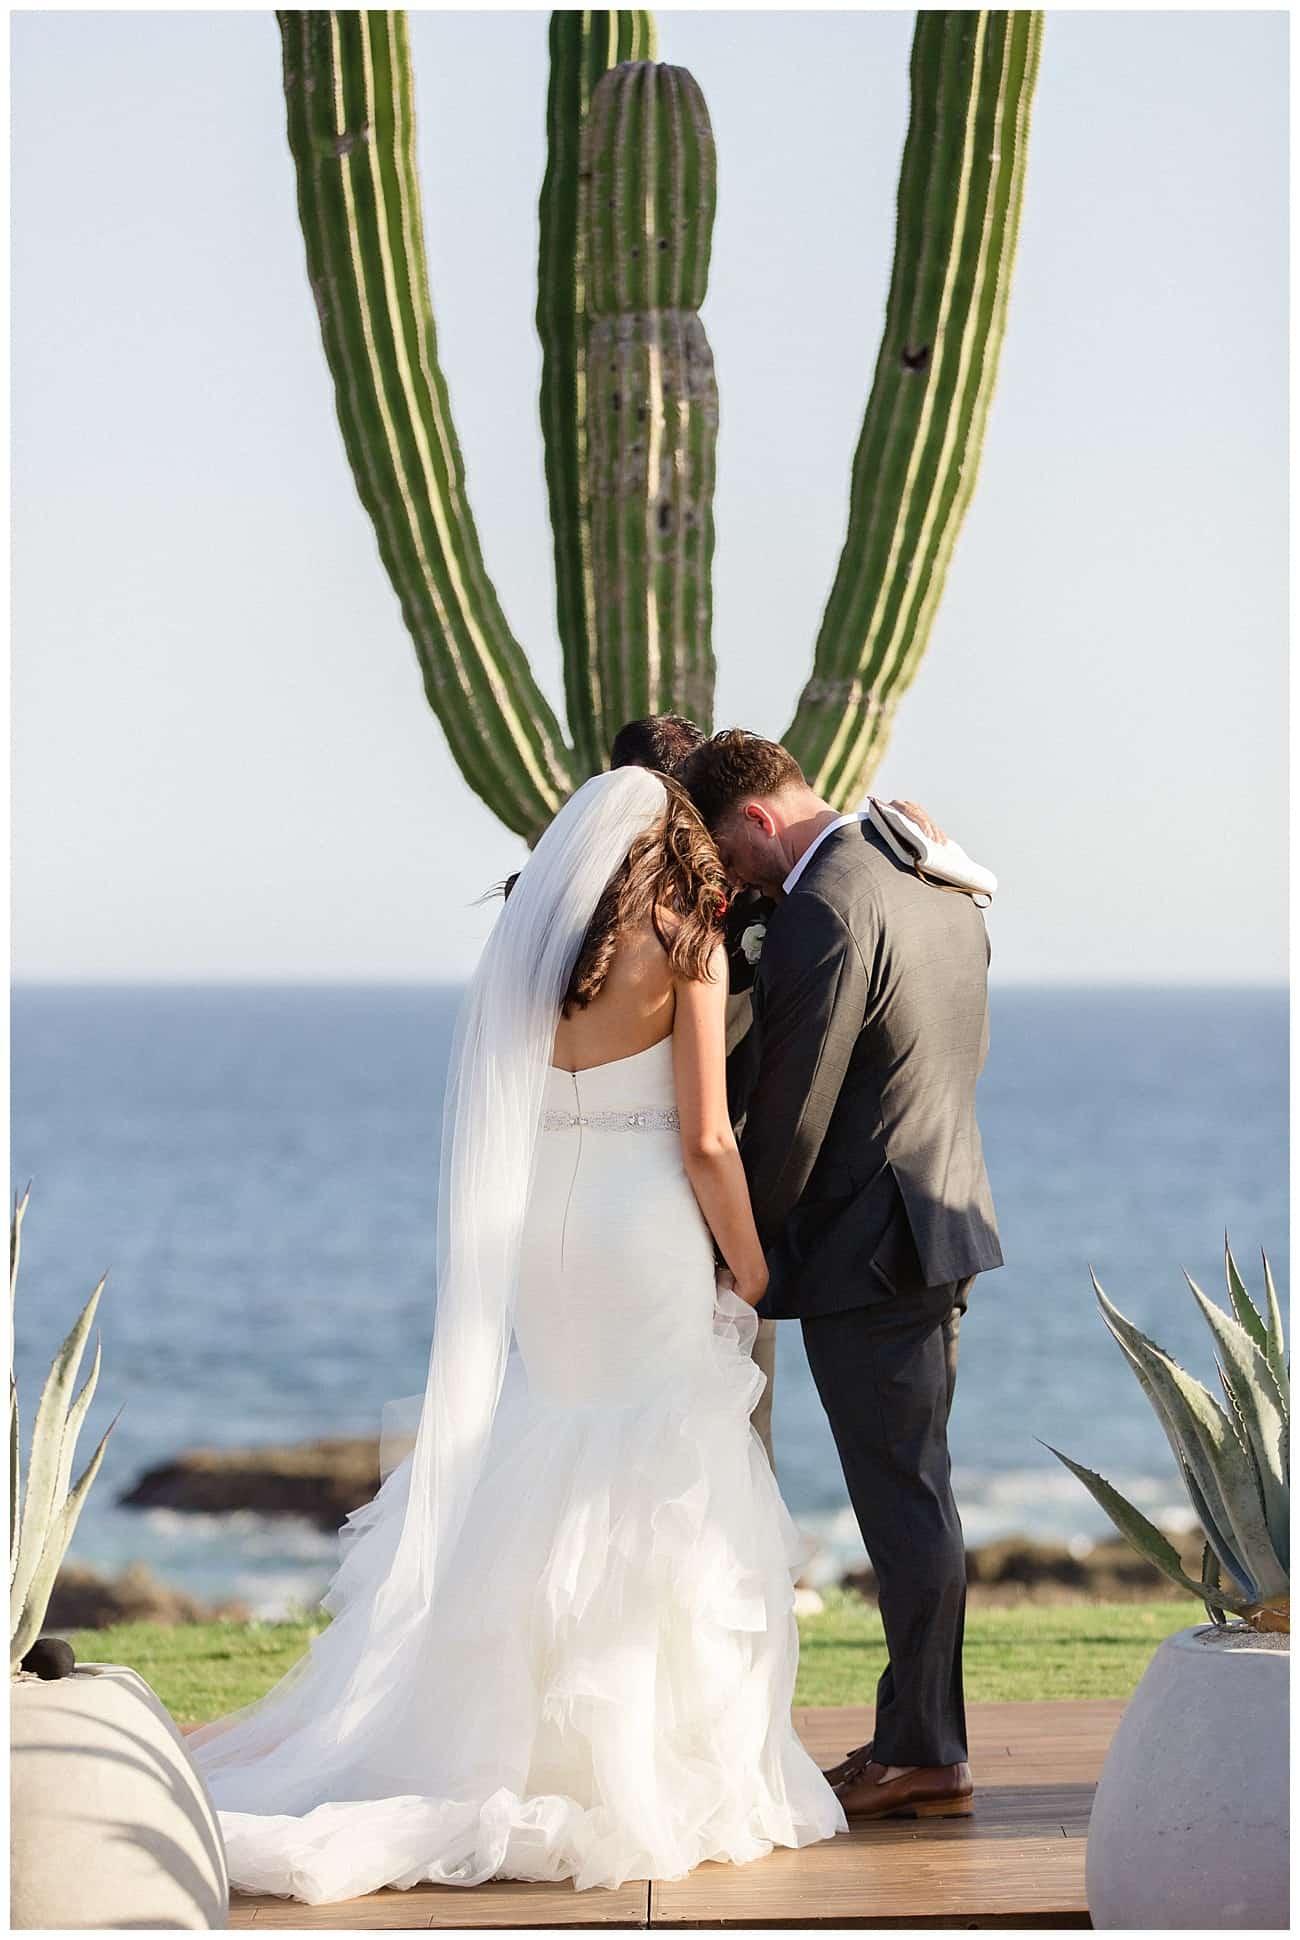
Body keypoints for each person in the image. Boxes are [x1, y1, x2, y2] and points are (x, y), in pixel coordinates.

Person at [188, 767, 846, 1904]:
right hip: (639, 1226)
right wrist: (749, 1261)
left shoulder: (534, 955)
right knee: (658, 1462)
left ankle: (505, 1730)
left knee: (555, 1433)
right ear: (665, 847)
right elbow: (703, 1136)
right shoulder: (686, 939)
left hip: (543, 1225)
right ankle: (632, 1755)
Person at [681, 729, 1002, 1825]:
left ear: (759, 819)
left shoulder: (827, 903)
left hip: (870, 1248)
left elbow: (794, 1108)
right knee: (915, 1491)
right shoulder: (933, 877)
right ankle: (921, 1735)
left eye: (725, 853)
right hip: (935, 1222)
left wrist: (740, 1253)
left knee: (902, 1500)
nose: (726, 879)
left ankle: (924, 1747)